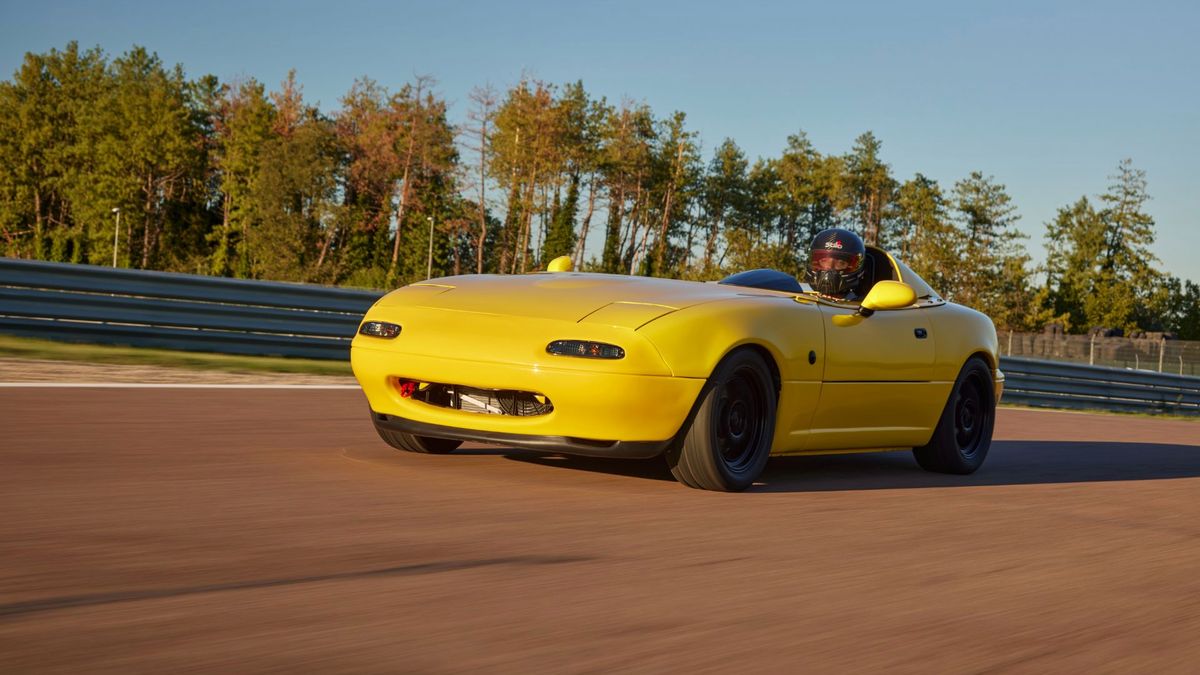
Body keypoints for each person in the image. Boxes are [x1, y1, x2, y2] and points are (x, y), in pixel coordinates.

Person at [807, 227, 866, 301]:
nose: (829, 267)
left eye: (840, 263)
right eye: (824, 261)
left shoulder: (862, 308)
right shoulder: (803, 300)